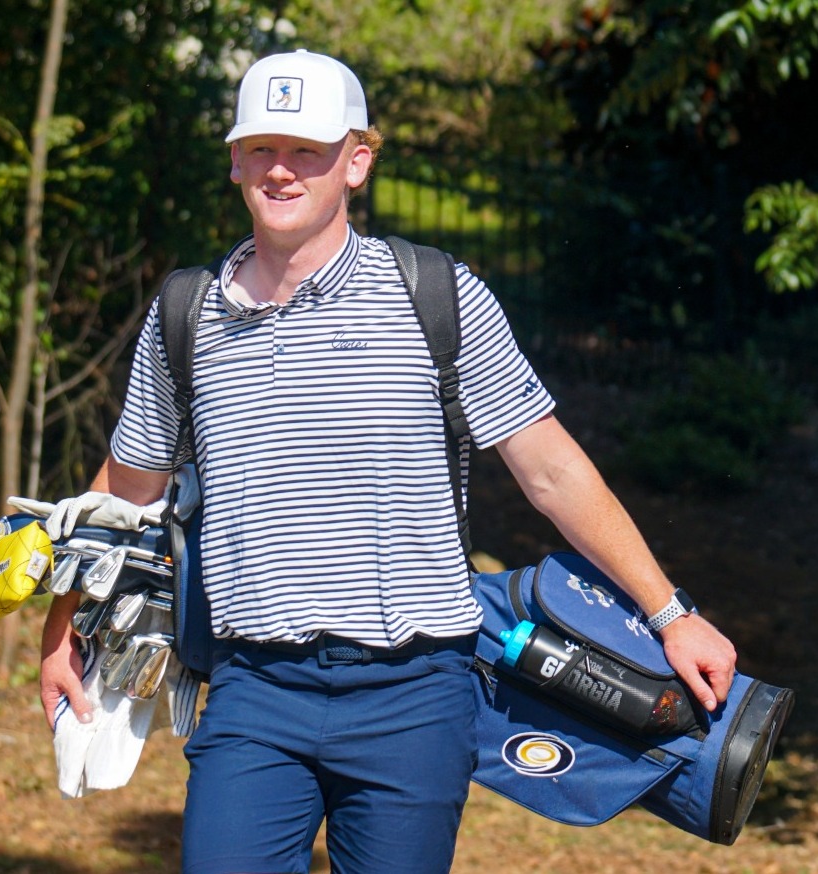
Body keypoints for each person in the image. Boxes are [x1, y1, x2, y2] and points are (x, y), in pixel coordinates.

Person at [38, 49, 739, 874]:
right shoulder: (184, 314)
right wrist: (63, 630)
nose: (280, 170)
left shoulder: (435, 294)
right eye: (261, 148)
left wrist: (669, 612)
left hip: (414, 697)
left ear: (356, 161)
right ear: (233, 161)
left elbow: (552, 472)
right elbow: (125, 492)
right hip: (253, 691)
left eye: (307, 151)